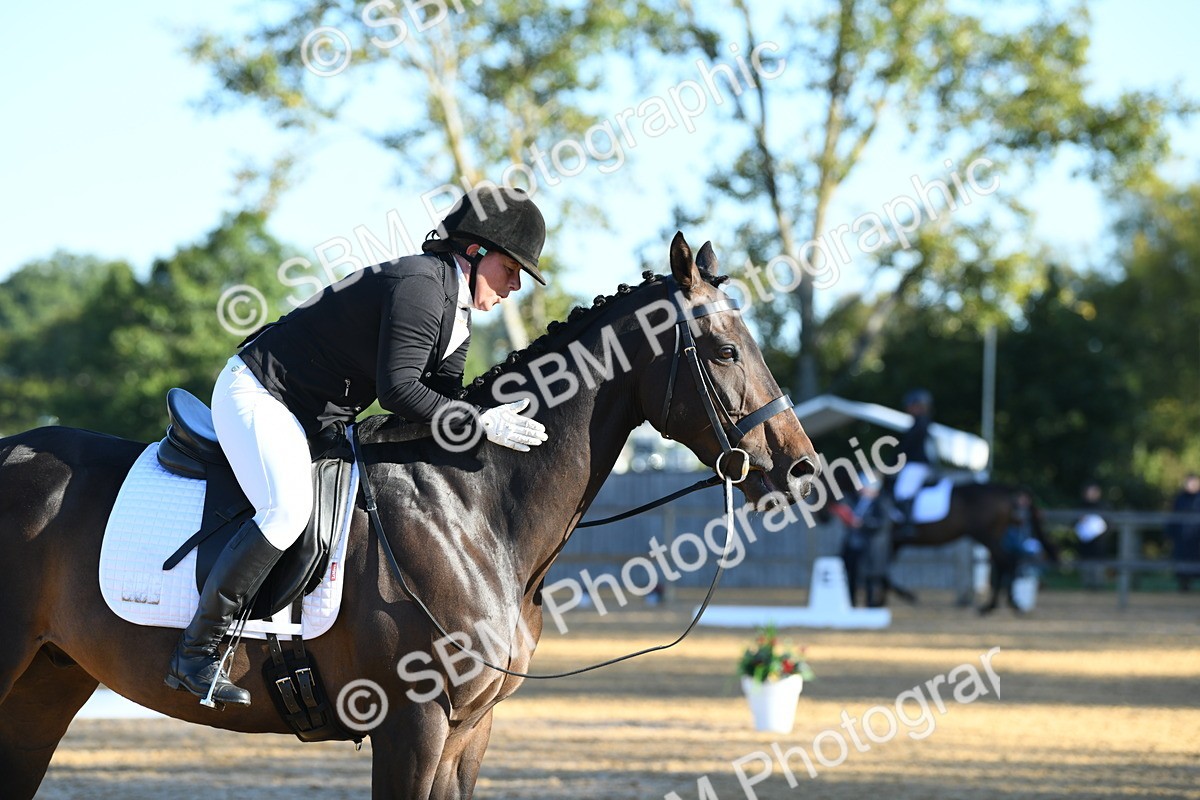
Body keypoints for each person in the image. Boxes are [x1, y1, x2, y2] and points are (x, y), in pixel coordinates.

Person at [165, 186, 551, 707]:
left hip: (316, 415)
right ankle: (197, 652)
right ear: (476, 252)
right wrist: (480, 421)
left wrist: (491, 420)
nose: (515, 285)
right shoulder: (420, 284)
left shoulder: (456, 313)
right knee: (287, 510)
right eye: (511, 268)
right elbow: (398, 390)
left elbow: (442, 398)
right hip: (260, 393)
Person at [889, 388, 936, 539]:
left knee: (903, 491)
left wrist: (892, 463)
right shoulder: (919, 423)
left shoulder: (920, 424)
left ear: (919, 406)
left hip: (917, 464)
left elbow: (906, 449)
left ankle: (908, 526)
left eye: (911, 405)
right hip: (917, 464)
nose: (908, 408)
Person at [1166, 474, 1200, 591]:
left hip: (1197, 538)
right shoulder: (1180, 498)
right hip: (1183, 537)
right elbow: (1173, 516)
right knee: (1182, 564)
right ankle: (1184, 586)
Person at [1073, 482, 1109, 590]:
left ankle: (1098, 588)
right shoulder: (1080, 507)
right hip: (1085, 546)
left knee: (1098, 571)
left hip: (1099, 545)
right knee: (1086, 571)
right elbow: (1073, 523)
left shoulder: (1103, 507)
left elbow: (1109, 524)